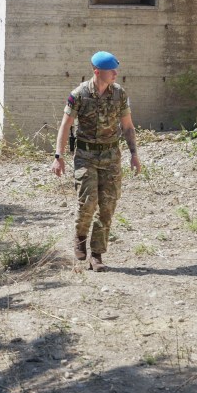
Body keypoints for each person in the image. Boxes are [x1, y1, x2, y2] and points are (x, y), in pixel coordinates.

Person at [51, 51, 141, 272]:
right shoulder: (79, 94)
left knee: (107, 206)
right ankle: (80, 237)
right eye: (112, 71)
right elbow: (65, 126)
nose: (115, 74)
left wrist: (134, 154)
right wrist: (58, 156)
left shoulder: (119, 94)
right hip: (86, 157)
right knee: (88, 202)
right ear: (97, 71)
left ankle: (97, 255)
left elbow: (128, 127)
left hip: (111, 157)